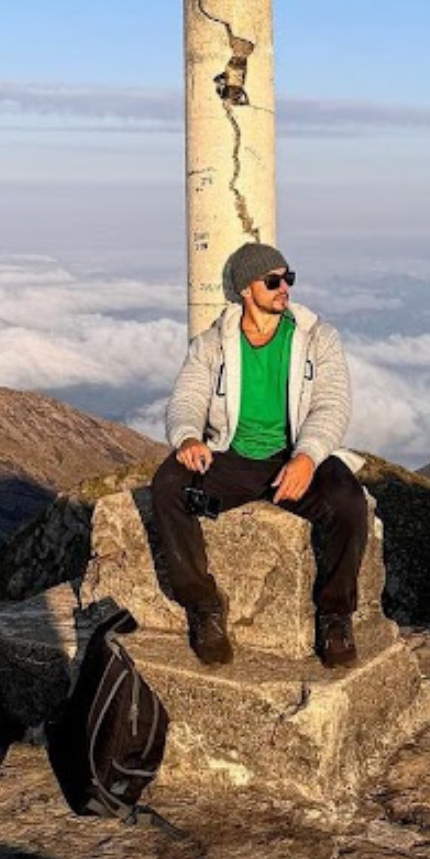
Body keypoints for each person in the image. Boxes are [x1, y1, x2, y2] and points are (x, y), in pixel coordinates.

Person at [150, 241, 368, 670]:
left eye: (288, 278)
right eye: (273, 281)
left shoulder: (317, 337)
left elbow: (332, 405)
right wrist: (188, 438)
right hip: (230, 455)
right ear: (246, 289)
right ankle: (203, 607)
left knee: (349, 505)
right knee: (168, 486)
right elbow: (187, 399)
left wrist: (307, 457)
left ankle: (335, 615)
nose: (284, 287)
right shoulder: (212, 343)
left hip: (296, 453)